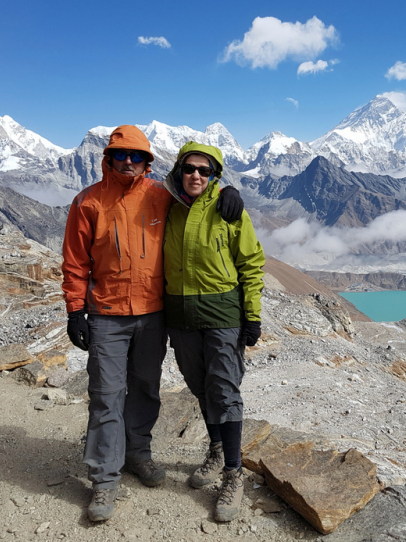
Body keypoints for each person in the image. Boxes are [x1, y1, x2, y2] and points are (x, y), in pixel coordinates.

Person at [61, 127, 244, 522]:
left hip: (153, 313)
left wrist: (227, 193)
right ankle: (104, 479)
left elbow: (200, 206)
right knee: (106, 395)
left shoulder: (163, 197)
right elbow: (75, 262)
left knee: (145, 388)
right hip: (107, 314)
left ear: (149, 162)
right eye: (121, 155)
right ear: (108, 158)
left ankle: (138, 456)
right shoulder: (87, 202)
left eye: (137, 156)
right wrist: (76, 310)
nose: (129, 162)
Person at [163, 141, 265, 522]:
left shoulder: (228, 208)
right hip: (181, 315)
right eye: (189, 169)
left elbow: (251, 262)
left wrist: (251, 315)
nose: (196, 176)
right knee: (199, 385)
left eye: (205, 171)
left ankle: (233, 474)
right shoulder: (166, 207)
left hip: (223, 314)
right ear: (178, 171)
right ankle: (217, 448)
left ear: (215, 176)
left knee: (224, 389)